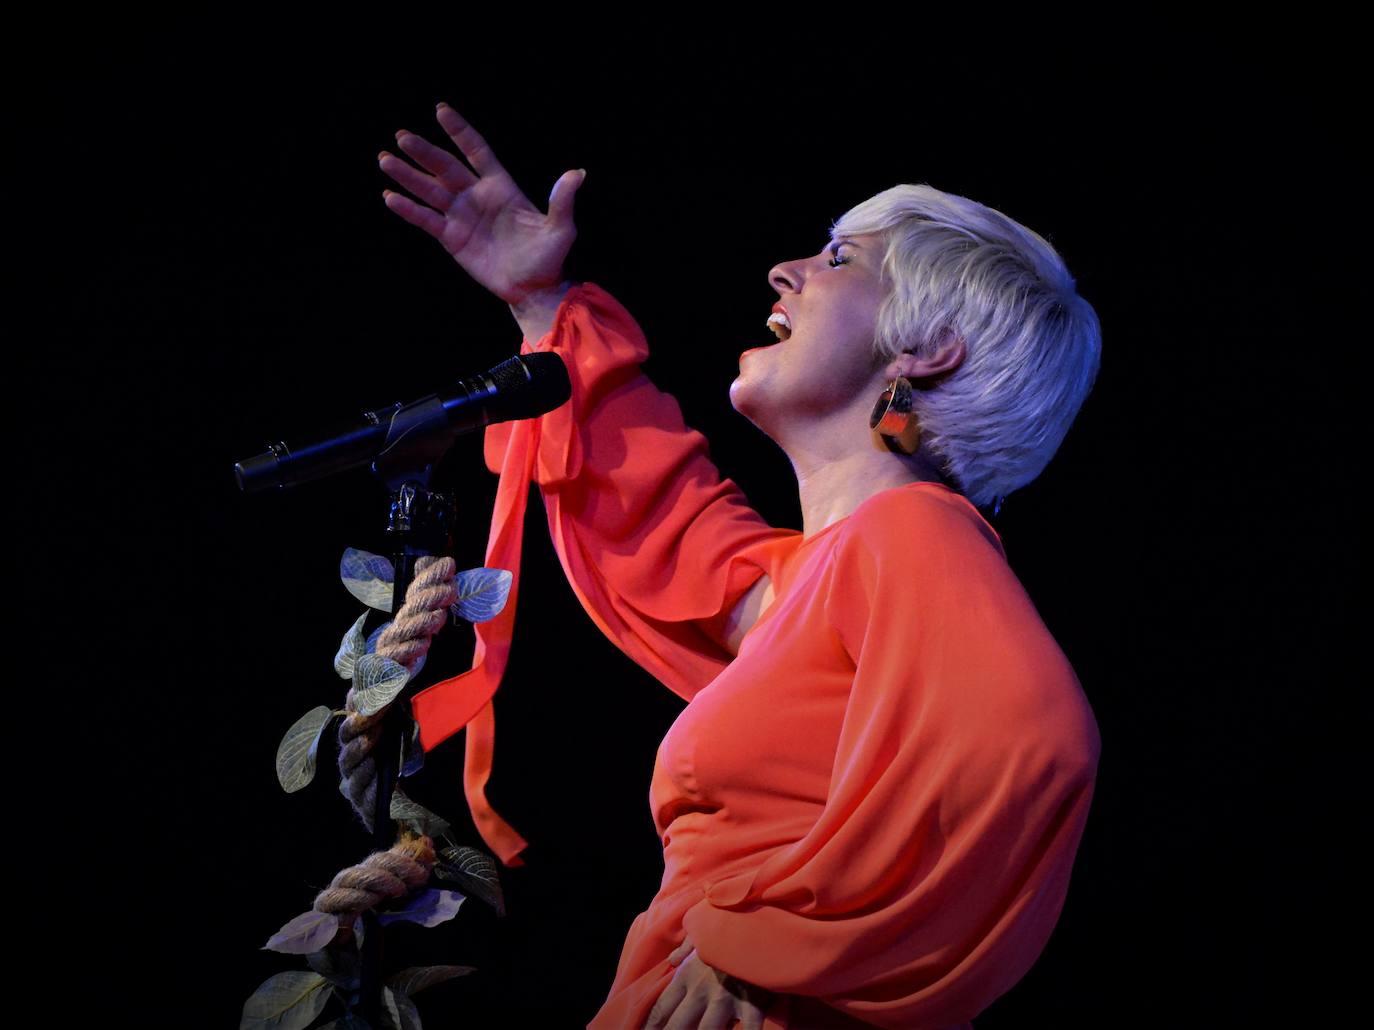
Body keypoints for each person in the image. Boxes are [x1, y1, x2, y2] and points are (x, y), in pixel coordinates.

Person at [378, 102, 1103, 1030]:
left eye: (840, 259)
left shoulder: (913, 535)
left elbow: (1034, 742)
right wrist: (543, 307)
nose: (787, 271)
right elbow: (670, 528)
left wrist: (775, 943)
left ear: (926, 347)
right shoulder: (820, 578)